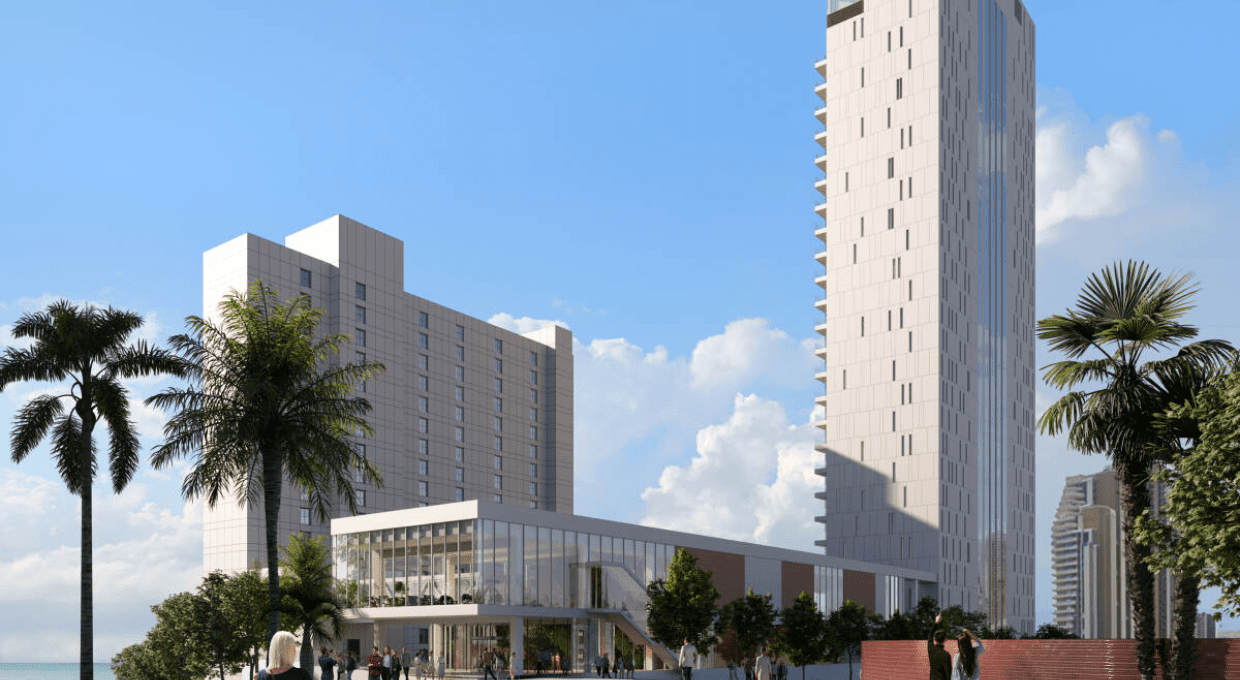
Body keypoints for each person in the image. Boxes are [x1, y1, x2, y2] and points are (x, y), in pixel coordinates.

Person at [927, 613, 952, 680]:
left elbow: (929, 637)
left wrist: (936, 622)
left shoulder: (931, 650)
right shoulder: (946, 655)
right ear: (945, 640)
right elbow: (948, 675)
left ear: (935, 639)